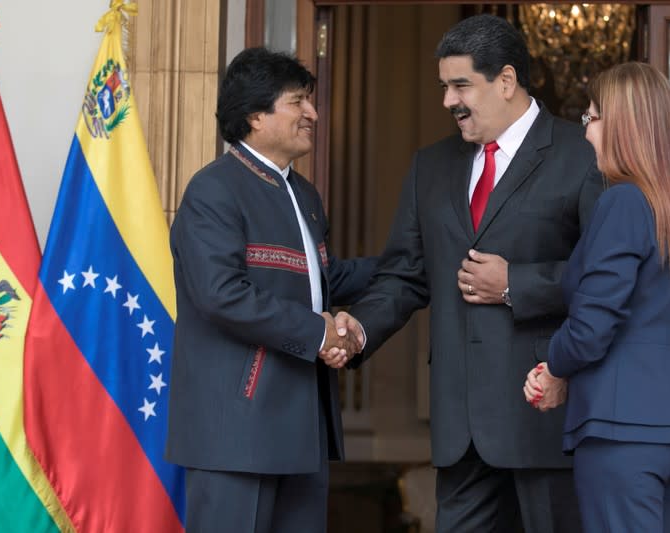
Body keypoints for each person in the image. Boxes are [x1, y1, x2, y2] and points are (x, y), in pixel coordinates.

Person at [331, 13, 603, 533]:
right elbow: (404, 276)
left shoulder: (581, 155)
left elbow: (605, 277)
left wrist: (515, 285)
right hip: (460, 432)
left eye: (460, 85)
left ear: (505, 80)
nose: (447, 101)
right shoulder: (429, 167)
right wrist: (359, 329)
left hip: (544, 419)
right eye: (443, 86)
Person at [165, 47, 375, 532]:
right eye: (298, 101)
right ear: (255, 115)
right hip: (236, 429)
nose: (313, 114)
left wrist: (411, 266)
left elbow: (320, 283)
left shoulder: (303, 193)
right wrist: (319, 334)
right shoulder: (213, 190)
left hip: (303, 427)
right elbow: (222, 293)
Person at [523, 61, 670, 533]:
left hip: (623, 431)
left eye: (592, 119)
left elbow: (592, 327)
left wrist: (555, 365)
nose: (587, 133)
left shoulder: (625, 201)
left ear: (624, 127)